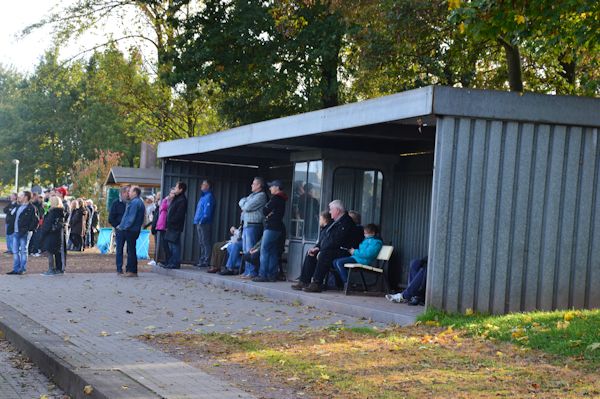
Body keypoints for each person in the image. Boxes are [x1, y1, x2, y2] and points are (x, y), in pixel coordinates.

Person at [292, 199, 355, 293]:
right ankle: (304, 281)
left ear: (337, 210)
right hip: (331, 249)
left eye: (331, 210)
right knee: (311, 253)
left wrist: (322, 249)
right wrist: (317, 247)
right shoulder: (335, 222)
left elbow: (336, 241)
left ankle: (317, 283)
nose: (329, 212)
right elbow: (325, 237)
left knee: (324, 254)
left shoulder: (346, 222)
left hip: (343, 251)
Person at [254, 180, 288, 282]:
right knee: (273, 251)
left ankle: (263, 274)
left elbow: (265, 210)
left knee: (264, 250)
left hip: (271, 227)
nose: (270, 188)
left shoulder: (276, 198)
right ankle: (272, 275)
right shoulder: (282, 198)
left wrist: (268, 213)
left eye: (272, 186)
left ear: (277, 187)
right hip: (278, 227)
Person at [237, 177, 268, 279]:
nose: (252, 185)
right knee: (246, 249)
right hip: (246, 224)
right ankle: (247, 271)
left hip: (254, 225)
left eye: (254, 184)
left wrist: (244, 205)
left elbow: (247, 207)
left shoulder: (261, 196)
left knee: (251, 249)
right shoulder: (251, 195)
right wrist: (244, 204)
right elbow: (241, 201)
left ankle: (252, 272)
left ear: (259, 185)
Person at [7, 191, 39, 275]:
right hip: (16, 231)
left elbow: (35, 221)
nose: (19, 197)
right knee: (15, 251)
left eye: (21, 196)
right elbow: (11, 215)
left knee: (23, 250)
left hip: (24, 232)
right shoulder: (18, 206)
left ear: (25, 197)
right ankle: (16, 269)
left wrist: (29, 229)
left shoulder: (31, 208)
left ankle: (22, 269)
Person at [116, 186, 146, 277]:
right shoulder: (137, 202)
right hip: (134, 229)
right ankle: (131, 270)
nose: (129, 193)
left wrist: (124, 227)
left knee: (131, 250)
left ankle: (131, 270)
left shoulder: (135, 202)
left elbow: (131, 217)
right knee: (131, 249)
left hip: (131, 230)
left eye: (131, 191)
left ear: (135, 193)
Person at [161, 181, 188, 269]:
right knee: (171, 244)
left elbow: (179, 215)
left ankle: (175, 263)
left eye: (176, 188)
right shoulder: (177, 198)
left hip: (175, 226)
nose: (175, 189)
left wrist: (171, 221)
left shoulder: (182, 200)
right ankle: (171, 262)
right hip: (171, 226)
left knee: (175, 245)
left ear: (181, 189)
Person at [40, 196, 65, 276]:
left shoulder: (52, 213)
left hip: (51, 235)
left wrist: (43, 232)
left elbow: (47, 224)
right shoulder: (60, 212)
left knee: (50, 252)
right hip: (56, 235)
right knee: (56, 253)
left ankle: (51, 269)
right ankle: (57, 268)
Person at [193, 179, 215, 268]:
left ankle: (206, 260)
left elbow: (207, 211)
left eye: (204, 184)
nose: (201, 185)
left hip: (204, 223)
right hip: (199, 222)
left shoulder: (209, 196)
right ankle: (202, 260)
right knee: (201, 242)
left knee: (205, 242)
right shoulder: (203, 197)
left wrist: (202, 220)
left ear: (208, 186)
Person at [110, 186, 129, 273]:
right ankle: (119, 268)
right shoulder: (116, 203)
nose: (129, 194)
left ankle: (129, 268)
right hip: (120, 230)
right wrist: (116, 226)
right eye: (127, 192)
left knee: (130, 249)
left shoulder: (130, 203)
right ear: (123, 193)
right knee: (119, 249)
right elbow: (111, 218)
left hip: (129, 229)